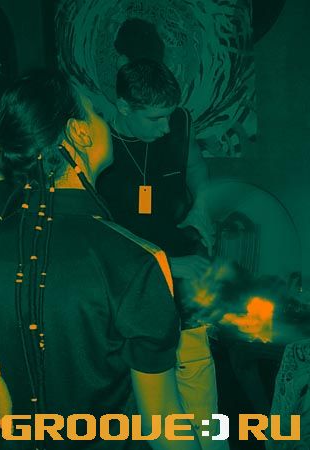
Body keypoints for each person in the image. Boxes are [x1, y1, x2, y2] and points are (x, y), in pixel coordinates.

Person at [0, 71, 202, 449]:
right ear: (79, 133)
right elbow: (163, 422)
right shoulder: (132, 261)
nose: (105, 121)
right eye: (97, 114)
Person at [95, 58, 225, 448]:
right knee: (147, 402)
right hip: (129, 286)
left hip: (183, 277)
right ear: (123, 106)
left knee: (200, 387)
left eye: (170, 115)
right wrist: (167, 266)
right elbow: (98, 237)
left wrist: (201, 204)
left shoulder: (178, 122)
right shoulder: (95, 142)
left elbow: (196, 166)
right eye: (155, 118)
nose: (167, 127)